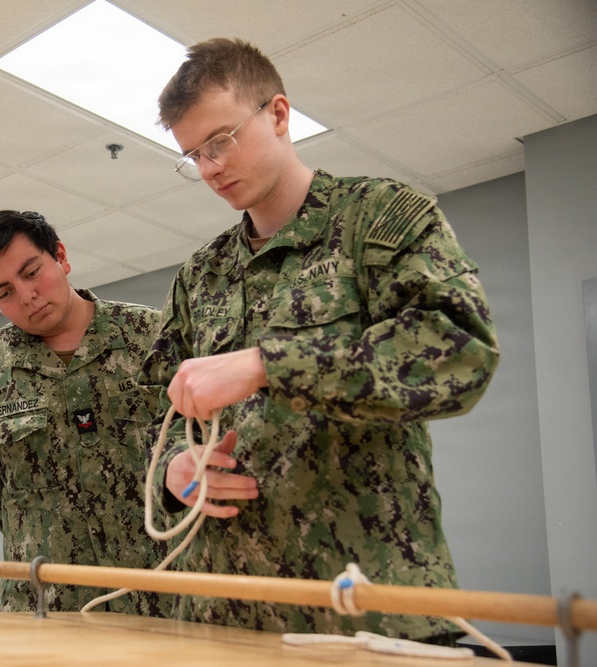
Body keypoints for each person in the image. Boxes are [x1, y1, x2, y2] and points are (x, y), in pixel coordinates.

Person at [138, 38, 500, 641]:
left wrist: (267, 364)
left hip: (366, 607)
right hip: (225, 616)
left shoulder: (380, 220)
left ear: (277, 114)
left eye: (221, 141)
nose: (210, 169)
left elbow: (459, 351)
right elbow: (165, 416)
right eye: (193, 155)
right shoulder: (199, 278)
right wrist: (174, 475)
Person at [0, 210, 169, 615]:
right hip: (46, 599)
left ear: (60, 257)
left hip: (162, 588)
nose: (27, 295)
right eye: (5, 292)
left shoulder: (153, 339)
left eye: (32, 272)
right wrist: (43, 523)